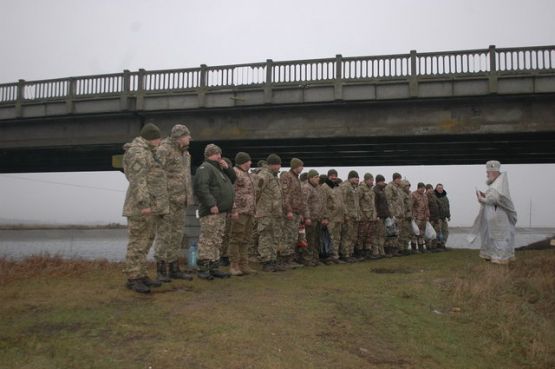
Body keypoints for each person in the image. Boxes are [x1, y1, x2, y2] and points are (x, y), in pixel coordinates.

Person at [122, 123, 168, 293]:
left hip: (151, 206)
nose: (160, 141)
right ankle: (133, 278)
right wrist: (144, 204)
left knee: (145, 242)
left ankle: (141, 275)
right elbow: (138, 180)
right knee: (137, 243)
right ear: (152, 138)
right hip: (140, 208)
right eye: (158, 138)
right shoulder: (138, 152)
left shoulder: (149, 152)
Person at [154, 124, 194, 282]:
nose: (190, 138)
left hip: (180, 201)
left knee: (177, 235)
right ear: (179, 136)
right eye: (187, 135)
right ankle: (161, 270)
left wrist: (188, 197)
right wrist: (159, 198)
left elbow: (186, 177)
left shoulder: (186, 154)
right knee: (164, 235)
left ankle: (174, 268)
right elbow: (155, 174)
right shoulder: (164, 150)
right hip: (167, 201)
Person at [193, 144, 235, 280]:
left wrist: (228, 168)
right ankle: (203, 268)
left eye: (220, 153)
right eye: (217, 154)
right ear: (211, 154)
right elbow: (201, 188)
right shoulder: (205, 168)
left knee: (217, 240)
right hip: (211, 211)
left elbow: (234, 179)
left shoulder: (220, 169)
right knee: (208, 239)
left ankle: (214, 267)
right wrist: (211, 204)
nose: (220, 156)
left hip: (221, 211)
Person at [469, 160, 517, 264]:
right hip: (493, 216)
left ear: (494, 172)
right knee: (491, 236)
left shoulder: (497, 185)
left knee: (498, 238)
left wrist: (481, 198)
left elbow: (493, 199)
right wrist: (484, 195)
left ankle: (499, 258)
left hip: (498, 216)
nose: (486, 174)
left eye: (488, 172)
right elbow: (493, 198)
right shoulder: (496, 184)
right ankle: (492, 255)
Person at [228, 152, 257, 276]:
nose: (250, 163)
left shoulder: (247, 174)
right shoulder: (234, 173)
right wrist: (234, 209)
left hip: (249, 212)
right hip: (239, 212)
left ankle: (244, 265)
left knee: (246, 239)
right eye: (248, 161)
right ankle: (234, 265)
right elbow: (230, 192)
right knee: (236, 238)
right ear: (243, 162)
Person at [256, 154, 286, 272]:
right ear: (273, 164)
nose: (280, 167)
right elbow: (257, 191)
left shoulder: (274, 176)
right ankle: (266, 261)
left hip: (275, 213)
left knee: (274, 237)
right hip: (266, 212)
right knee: (265, 236)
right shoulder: (264, 175)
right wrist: (259, 208)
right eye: (278, 164)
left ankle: (273, 260)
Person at [280, 158, 308, 268]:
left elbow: (298, 197)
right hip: (290, 212)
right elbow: (285, 194)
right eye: (301, 165)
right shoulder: (287, 176)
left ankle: (290, 259)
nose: (302, 168)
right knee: (287, 235)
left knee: (293, 236)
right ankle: (284, 259)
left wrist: (300, 212)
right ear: (296, 166)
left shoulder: (296, 178)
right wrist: (288, 210)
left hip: (296, 212)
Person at [320, 169, 345, 264]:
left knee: (337, 237)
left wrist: (344, 214)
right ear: (328, 176)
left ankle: (335, 256)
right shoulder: (324, 187)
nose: (334, 177)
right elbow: (323, 203)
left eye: (335, 175)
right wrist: (325, 217)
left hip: (339, 217)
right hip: (330, 217)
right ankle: (328, 257)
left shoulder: (337, 187)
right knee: (329, 238)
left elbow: (341, 202)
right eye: (332, 175)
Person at [301, 169, 324, 266]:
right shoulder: (307, 188)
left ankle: (315, 258)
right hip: (310, 218)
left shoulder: (318, 188)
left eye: (318, 177)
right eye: (315, 177)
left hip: (317, 218)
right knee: (309, 239)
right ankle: (307, 259)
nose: (318, 179)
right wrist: (307, 217)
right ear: (310, 178)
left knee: (316, 239)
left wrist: (323, 216)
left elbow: (322, 202)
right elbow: (304, 203)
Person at [339, 171, 360, 262]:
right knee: (347, 235)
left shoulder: (354, 188)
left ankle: (351, 253)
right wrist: (345, 214)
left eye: (358, 178)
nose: (357, 179)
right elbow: (342, 201)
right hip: (348, 216)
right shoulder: (345, 186)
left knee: (353, 236)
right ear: (350, 178)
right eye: (355, 177)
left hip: (354, 216)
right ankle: (345, 254)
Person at [356, 173, 377, 260]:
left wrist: (375, 215)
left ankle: (368, 252)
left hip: (371, 216)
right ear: (366, 180)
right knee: (361, 235)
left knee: (369, 235)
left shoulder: (371, 190)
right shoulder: (361, 189)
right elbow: (357, 202)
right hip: (363, 216)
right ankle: (360, 253)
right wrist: (360, 214)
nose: (372, 182)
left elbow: (373, 204)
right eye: (371, 180)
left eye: (373, 180)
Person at [384, 173, 404, 256]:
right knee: (391, 233)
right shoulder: (389, 187)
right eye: (399, 179)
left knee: (397, 233)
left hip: (399, 214)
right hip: (393, 214)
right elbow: (388, 200)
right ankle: (389, 250)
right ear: (395, 179)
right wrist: (391, 214)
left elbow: (400, 202)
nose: (400, 180)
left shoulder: (399, 188)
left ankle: (395, 250)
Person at [372, 175, 390, 259]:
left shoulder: (383, 190)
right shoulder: (375, 190)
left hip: (384, 215)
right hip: (378, 215)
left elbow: (385, 204)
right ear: (379, 181)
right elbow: (374, 204)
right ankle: (376, 252)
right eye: (382, 181)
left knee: (382, 234)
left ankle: (382, 251)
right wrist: (376, 215)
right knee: (377, 234)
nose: (384, 183)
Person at [411, 182, 430, 252]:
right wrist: (412, 216)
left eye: (424, 189)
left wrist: (428, 215)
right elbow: (411, 206)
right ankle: (413, 249)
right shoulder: (413, 195)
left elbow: (427, 207)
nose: (423, 190)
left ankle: (421, 248)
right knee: (415, 233)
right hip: (416, 217)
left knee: (422, 233)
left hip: (424, 218)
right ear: (418, 188)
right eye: (422, 189)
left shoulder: (425, 196)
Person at [398, 179, 412, 255]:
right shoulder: (401, 193)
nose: (408, 187)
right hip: (402, 216)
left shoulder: (409, 194)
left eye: (408, 186)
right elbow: (400, 205)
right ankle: (401, 249)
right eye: (406, 186)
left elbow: (411, 205)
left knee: (407, 233)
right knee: (401, 233)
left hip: (409, 216)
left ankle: (406, 248)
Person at [426, 184, 442, 251]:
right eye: (429, 189)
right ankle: (428, 247)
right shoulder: (425, 196)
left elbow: (439, 204)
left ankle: (434, 247)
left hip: (436, 218)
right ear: (427, 190)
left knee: (436, 232)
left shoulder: (434, 196)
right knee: (429, 233)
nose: (431, 190)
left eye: (431, 188)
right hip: (430, 218)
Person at [435, 183, 451, 249]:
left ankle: (443, 243)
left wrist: (448, 216)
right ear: (436, 188)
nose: (440, 189)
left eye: (441, 188)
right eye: (439, 188)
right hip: (438, 217)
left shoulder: (445, 197)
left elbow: (447, 207)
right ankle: (438, 244)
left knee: (446, 231)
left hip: (444, 217)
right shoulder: (434, 196)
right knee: (438, 231)